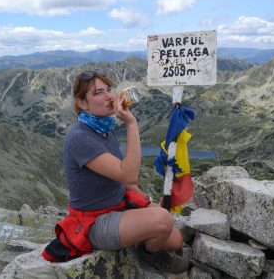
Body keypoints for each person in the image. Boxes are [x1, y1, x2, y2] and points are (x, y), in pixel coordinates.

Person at [43, 69, 189, 274]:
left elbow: (127, 183)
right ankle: (150, 255)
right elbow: (128, 174)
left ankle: (138, 236)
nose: (110, 96)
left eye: (109, 89)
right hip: (95, 221)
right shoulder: (79, 137)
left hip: (119, 205)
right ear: (82, 103)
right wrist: (131, 123)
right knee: (163, 221)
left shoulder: (103, 128)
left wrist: (148, 202)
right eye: (98, 93)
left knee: (174, 239)